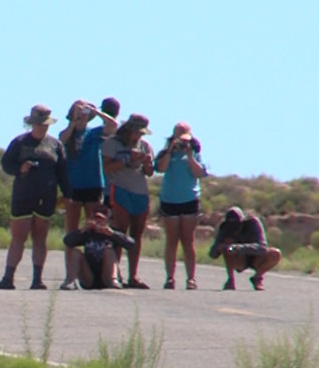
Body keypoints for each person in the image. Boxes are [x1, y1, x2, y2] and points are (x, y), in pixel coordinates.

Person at [0, 104, 71, 290]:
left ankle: (37, 279)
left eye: (45, 123)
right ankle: (8, 278)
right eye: (40, 123)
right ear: (32, 123)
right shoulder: (20, 142)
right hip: (23, 195)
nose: (43, 127)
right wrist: (20, 168)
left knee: (40, 238)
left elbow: (63, 172)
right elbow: (6, 164)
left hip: (46, 196)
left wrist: (68, 195)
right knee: (18, 237)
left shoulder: (55, 145)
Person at [60, 97, 119, 289]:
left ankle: (98, 272)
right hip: (73, 186)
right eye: (79, 113)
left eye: (85, 114)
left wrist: (97, 111)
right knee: (72, 232)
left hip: (93, 185)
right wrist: (73, 120)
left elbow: (113, 125)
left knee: (94, 229)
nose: (82, 117)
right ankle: (70, 277)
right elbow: (62, 139)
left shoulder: (94, 134)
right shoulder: (67, 134)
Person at [101, 113, 156, 288]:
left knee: (137, 234)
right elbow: (107, 167)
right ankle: (115, 273)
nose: (138, 137)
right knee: (119, 232)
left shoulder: (145, 146)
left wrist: (146, 163)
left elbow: (149, 172)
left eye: (141, 134)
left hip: (140, 191)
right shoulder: (112, 144)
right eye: (136, 133)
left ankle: (133, 275)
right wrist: (127, 159)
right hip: (120, 189)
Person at [155, 122, 207, 289]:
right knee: (172, 240)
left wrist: (190, 156)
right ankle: (170, 277)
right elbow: (161, 169)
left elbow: (200, 173)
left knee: (188, 240)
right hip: (170, 199)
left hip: (189, 198)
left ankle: (191, 278)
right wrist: (170, 151)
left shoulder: (195, 152)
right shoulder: (166, 153)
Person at [208, 206, 282, 291]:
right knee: (227, 247)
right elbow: (212, 254)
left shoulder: (253, 223)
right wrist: (220, 248)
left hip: (256, 258)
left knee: (275, 254)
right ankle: (230, 280)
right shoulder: (224, 227)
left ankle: (257, 278)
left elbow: (262, 248)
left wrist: (238, 248)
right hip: (239, 259)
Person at [62, 206, 135, 290]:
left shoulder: (111, 233)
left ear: (107, 220)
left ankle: (113, 280)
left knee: (108, 249)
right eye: (96, 218)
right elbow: (67, 241)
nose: (98, 221)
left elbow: (131, 244)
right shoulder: (87, 232)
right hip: (88, 277)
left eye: (101, 219)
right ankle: (70, 281)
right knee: (76, 252)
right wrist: (82, 230)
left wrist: (113, 234)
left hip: (106, 275)